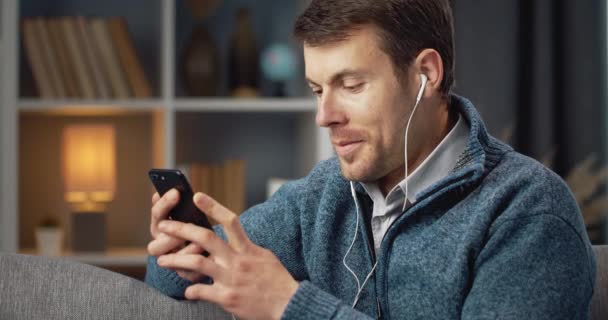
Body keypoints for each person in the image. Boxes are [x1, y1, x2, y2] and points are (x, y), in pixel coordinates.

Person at [145, 0, 596, 319]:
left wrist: (290, 306)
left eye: (351, 85)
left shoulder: (528, 212)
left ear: (426, 74)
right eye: (318, 90)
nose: (325, 116)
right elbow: (174, 284)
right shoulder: (321, 197)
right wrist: (178, 247)